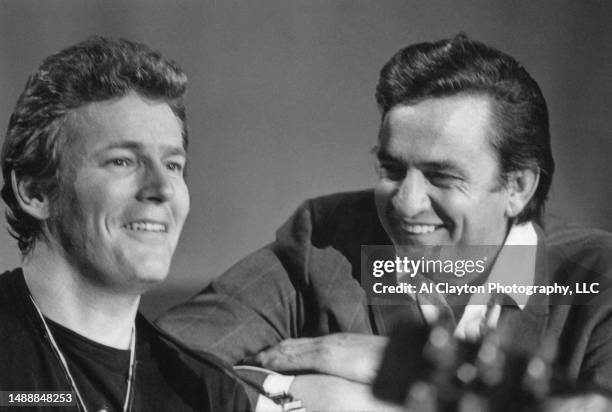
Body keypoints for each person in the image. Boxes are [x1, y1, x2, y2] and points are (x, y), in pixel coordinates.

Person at [157, 34, 612, 408]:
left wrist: (415, 380)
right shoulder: (327, 240)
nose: (407, 203)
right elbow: (145, 370)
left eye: (441, 176)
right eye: (392, 171)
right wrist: (284, 397)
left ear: (518, 188)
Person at [0, 37, 251, 412]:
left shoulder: (208, 393)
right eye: (122, 161)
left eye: (173, 165)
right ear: (36, 191)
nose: (162, 188)